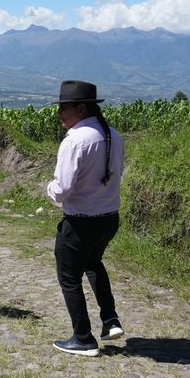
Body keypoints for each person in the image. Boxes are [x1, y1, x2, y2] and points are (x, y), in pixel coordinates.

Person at [45, 80, 126, 357]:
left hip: (80, 222)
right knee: (93, 264)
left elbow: (62, 189)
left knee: (69, 277)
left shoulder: (76, 140)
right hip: (109, 219)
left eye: (63, 108)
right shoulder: (112, 134)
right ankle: (110, 319)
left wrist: (48, 188)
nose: (59, 113)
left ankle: (83, 338)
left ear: (81, 108)